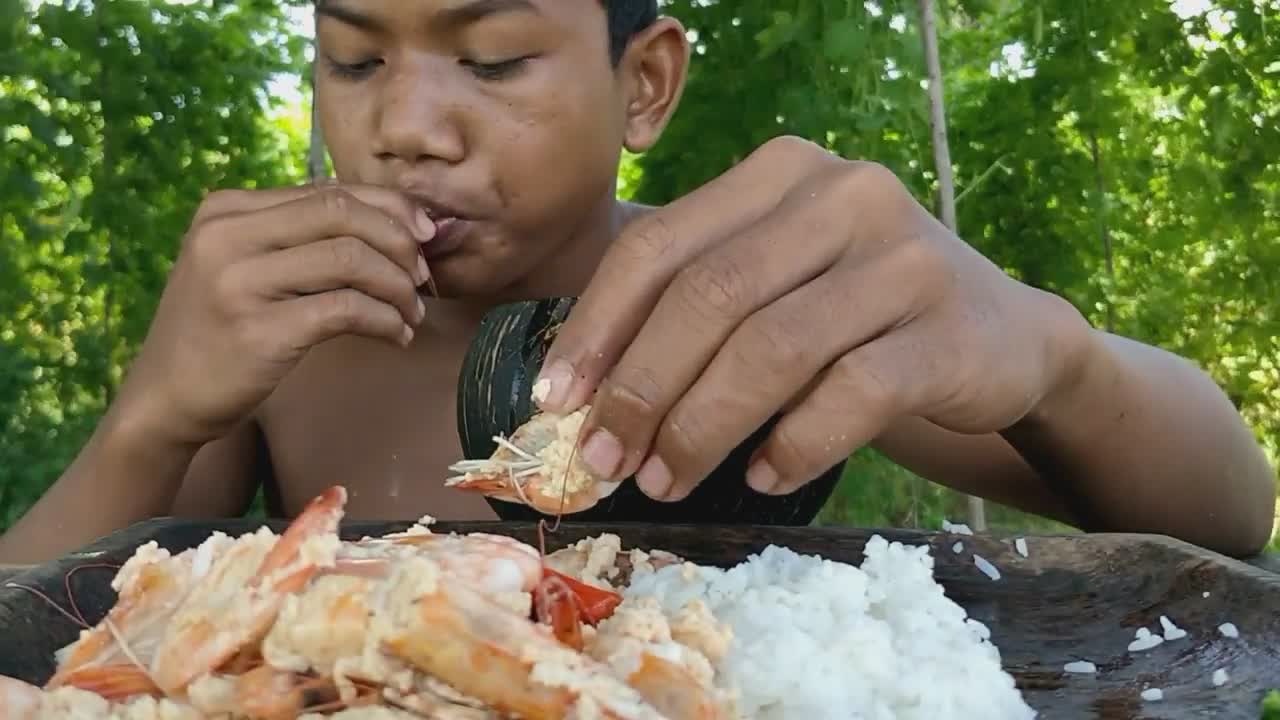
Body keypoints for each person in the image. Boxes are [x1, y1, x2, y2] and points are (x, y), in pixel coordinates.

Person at [0, 0, 1273, 564]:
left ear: (645, 84)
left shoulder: (756, 307)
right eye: (351, 58)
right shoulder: (287, 334)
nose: (408, 125)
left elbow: (1223, 518)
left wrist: (1055, 355)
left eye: (490, 58)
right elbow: (37, 636)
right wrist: (150, 420)